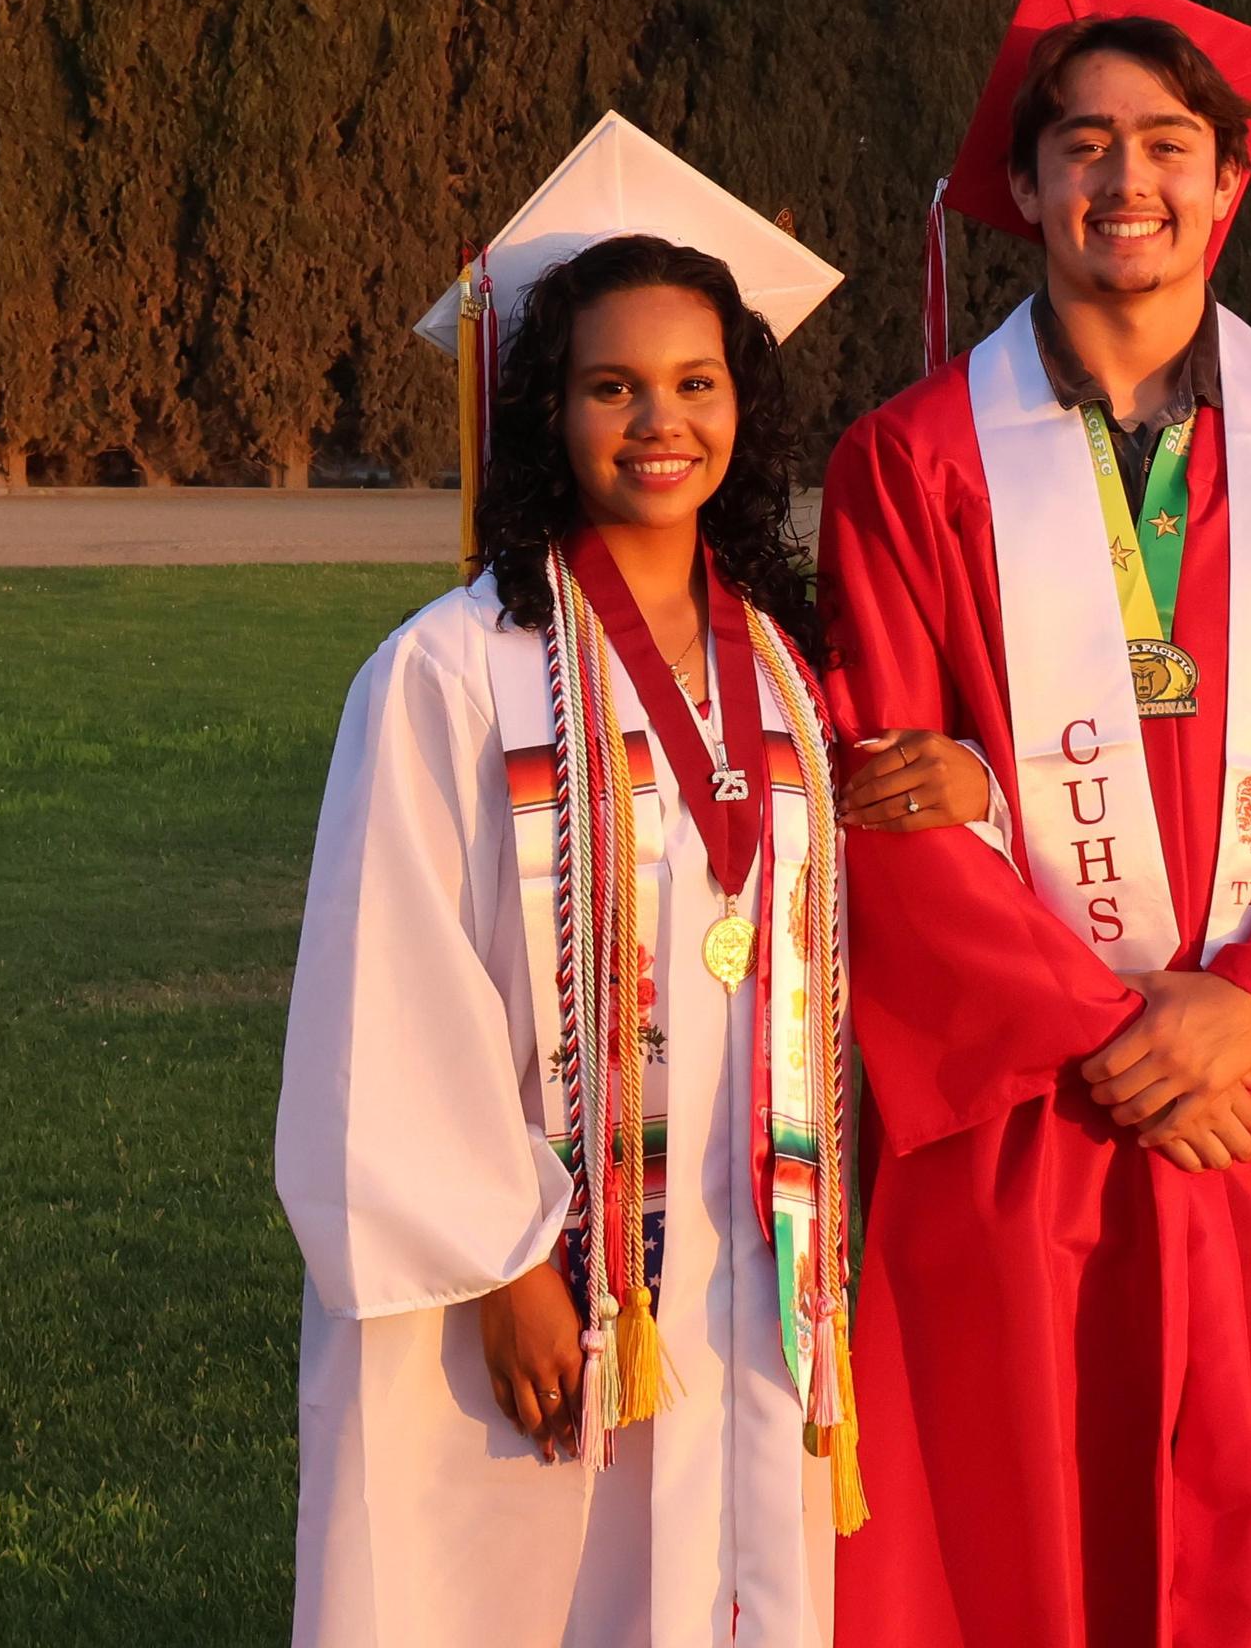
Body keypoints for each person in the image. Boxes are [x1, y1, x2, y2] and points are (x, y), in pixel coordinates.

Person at [819, 0, 1251, 1646]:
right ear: (1027, 186)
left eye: (1170, 143)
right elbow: (882, 798)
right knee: (1027, 1541)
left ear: (1230, 181)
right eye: (1087, 143)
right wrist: (1110, 1037)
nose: (1129, 179)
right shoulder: (911, 466)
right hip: (1042, 1117)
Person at [276, 115, 877, 1647]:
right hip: (544, 1278)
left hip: (747, 1254)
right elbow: (387, 986)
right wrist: (505, 1264)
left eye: (696, 383)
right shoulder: (453, 670)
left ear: (744, 402)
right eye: (613, 385)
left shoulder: (786, 667)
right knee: (514, 1594)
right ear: (548, 408)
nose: (658, 420)